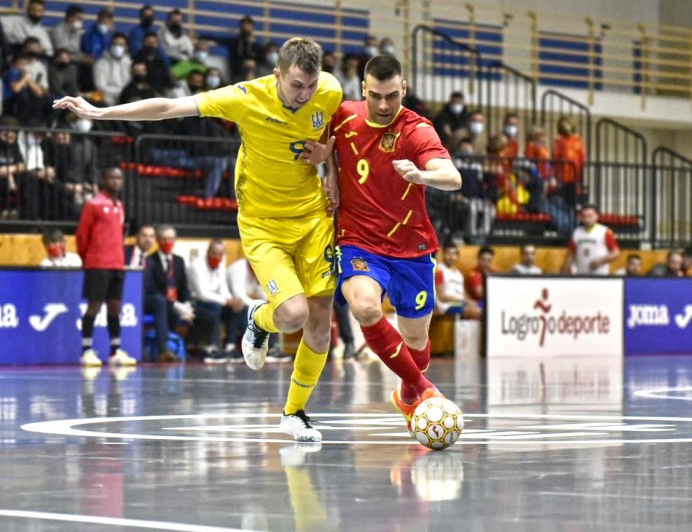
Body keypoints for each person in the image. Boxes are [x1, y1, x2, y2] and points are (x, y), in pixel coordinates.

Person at [54, 37, 341, 442]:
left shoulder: (329, 90)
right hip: (263, 223)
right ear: (277, 74)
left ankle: (294, 412)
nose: (304, 95)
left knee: (321, 316)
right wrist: (100, 112)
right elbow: (169, 108)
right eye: (296, 85)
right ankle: (259, 319)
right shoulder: (244, 97)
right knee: (293, 315)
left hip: (313, 217)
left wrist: (329, 166)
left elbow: (338, 133)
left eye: (310, 86)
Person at [328, 55, 461, 433]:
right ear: (362, 90)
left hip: (412, 248)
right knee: (365, 307)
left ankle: (407, 395)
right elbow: (320, 145)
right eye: (375, 96)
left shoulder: (416, 129)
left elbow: (452, 177)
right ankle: (425, 391)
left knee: (416, 337)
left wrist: (421, 174)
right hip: (359, 242)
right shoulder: (342, 115)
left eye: (391, 96)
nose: (384, 105)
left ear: (403, 89)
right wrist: (328, 172)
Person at [76, 167, 136, 367]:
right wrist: (89, 258)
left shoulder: (119, 206)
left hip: (117, 264)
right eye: (112, 177)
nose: (116, 181)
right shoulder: (93, 204)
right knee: (94, 305)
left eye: (119, 178)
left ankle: (115, 350)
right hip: (98, 263)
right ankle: (86, 350)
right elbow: (82, 236)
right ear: (104, 180)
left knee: (115, 307)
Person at [143, 225, 197, 363]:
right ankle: (164, 349)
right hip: (160, 302)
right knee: (165, 307)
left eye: (171, 239)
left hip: (178, 302)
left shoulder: (179, 260)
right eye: (164, 239)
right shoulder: (150, 260)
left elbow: (184, 286)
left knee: (205, 313)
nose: (168, 242)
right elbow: (151, 288)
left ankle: (191, 350)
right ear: (159, 240)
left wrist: (187, 303)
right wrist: (174, 304)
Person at [187, 238, 246, 362]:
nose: (216, 256)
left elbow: (223, 289)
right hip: (195, 303)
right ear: (208, 252)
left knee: (237, 309)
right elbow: (202, 294)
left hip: (215, 302)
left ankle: (229, 347)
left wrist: (233, 301)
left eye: (220, 254)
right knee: (215, 307)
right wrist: (226, 301)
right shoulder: (196, 266)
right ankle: (211, 348)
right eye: (214, 253)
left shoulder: (221, 266)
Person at [562, 204, 620, 275]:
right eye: (584, 216)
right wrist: (564, 271)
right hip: (581, 274)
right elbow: (571, 254)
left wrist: (600, 261)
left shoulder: (605, 232)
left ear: (596, 216)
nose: (587, 219)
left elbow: (616, 253)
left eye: (590, 216)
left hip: (600, 275)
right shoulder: (576, 232)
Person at [434, 243, 481, 319]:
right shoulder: (439, 271)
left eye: (454, 254)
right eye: (448, 253)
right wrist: (463, 300)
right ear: (443, 254)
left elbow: (463, 294)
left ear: (457, 256)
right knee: (477, 312)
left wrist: (470, 302)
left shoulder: (458, 274)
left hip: (460, 303)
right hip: (446, 306)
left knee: (483, 307)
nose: (451, 257)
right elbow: (441, 296)